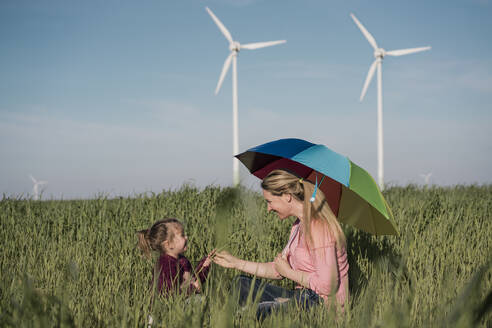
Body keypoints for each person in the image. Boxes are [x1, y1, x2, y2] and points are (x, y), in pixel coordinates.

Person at [213, 169, 349, 318]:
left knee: (255, 312)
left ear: (287, 197)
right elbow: (278, 270)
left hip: (321, 305)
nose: (268, 208)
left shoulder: (319, 227)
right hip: (302, 296)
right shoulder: (298, 226)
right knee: (241, 284)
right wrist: (236, 263)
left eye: (270, 201)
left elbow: (328, 285)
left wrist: (288, 273)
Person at [136, 218, 214, 296]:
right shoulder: (165, 266)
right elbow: (169, 293)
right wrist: (192, 288)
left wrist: (205, 265)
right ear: (169, 244)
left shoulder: (182, 260)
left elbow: (193, 280)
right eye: (182, 235)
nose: (186, 237)